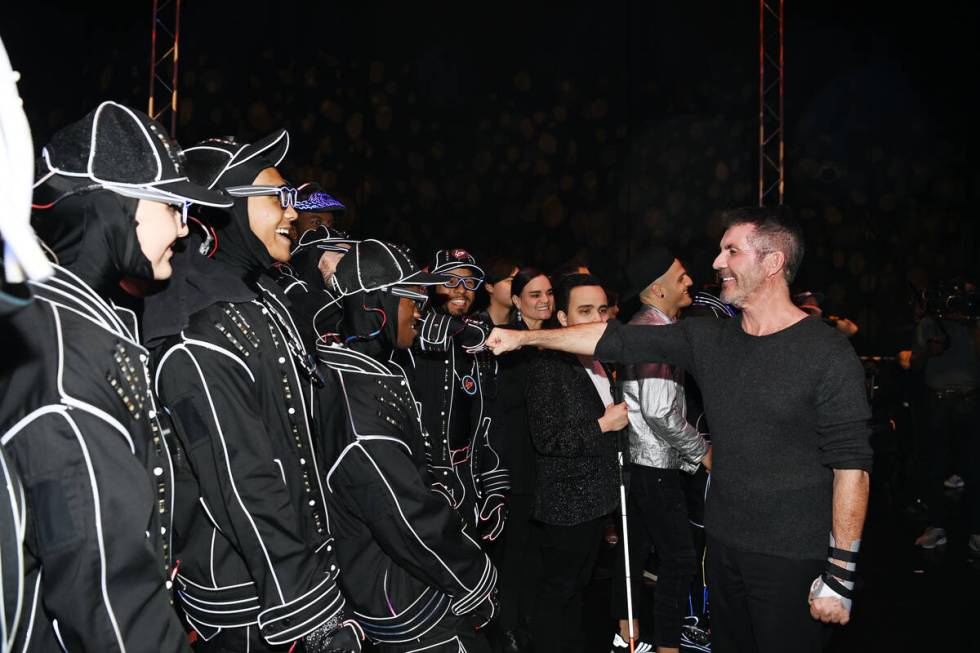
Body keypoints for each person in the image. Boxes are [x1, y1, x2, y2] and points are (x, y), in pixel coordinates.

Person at [487, 207, 873, 653]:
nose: (716, 262)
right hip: (724, 547)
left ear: (772, 263)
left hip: (791, 557)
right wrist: (522, 338)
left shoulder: (826, 352)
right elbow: (613, 339)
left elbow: (852, 468)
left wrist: (840, 576)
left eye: (732, 250)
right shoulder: (709, 339)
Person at [0, 101, 231, 651]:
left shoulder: (70, 322)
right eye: (170, 205)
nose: (183, 226)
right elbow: (103, 590)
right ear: (111, 210)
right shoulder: (66, 356)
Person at [146, 131, 358, 652]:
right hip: (251, 604)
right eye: (276, 198)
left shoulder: (253, 294)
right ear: (224, 209)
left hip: (289, 573)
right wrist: (309, 612)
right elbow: (241, 479)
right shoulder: (194, 319)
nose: (293, 212)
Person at [315, 239, 498, 652]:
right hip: (408, 599)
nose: (420, 309)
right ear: (376, 305)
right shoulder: (358, 408)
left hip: (406, 580)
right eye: (410, 297)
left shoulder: (365, 371)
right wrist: (475, 578)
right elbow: (407, 518)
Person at [611, 248, 710, 653]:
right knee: (680, 559)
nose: (689, 282)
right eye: (682, 276)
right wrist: (702, 453)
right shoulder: (654, 332)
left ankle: (630, 641)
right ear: (657, 288)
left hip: (644, 463)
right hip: (652, 464)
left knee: (636, 558)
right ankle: (669, 645)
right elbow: (659, 412)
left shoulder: (650, 326)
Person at [525, 273, 623, 653]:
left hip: (596, 500)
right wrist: (604, 424)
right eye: (584, 310)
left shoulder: (599, 359)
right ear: (562, 319)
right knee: (558, 596)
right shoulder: (549, 366)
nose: (596, 317)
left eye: (601, 309)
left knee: (579, 593)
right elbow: (548, 440)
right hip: (566, 504)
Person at [401, 249, 508, 542]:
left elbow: (489, 418)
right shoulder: (409, 333)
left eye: (469, 283)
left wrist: (496, 488)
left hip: (465, 479)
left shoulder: (479, 341)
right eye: (449, 280)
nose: (461, 290)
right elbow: (427, 331)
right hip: (416, 480)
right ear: (429, 287)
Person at [492, 267, 554, 653]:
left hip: (547, 463)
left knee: (537, 551)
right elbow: (506, 405)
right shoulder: (510, 344)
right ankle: (508, 627)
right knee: (515, 552)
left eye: (548, 292)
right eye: (534, 295)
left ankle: (528, 621)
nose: (544, 300)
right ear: (516, 302)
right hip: (518, 462)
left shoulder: (555, 339)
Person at [478, 256, 519, 327]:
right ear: (489, 287)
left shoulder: (522, 325)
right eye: (511, 281)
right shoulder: (473, 327)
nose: (518, 286)